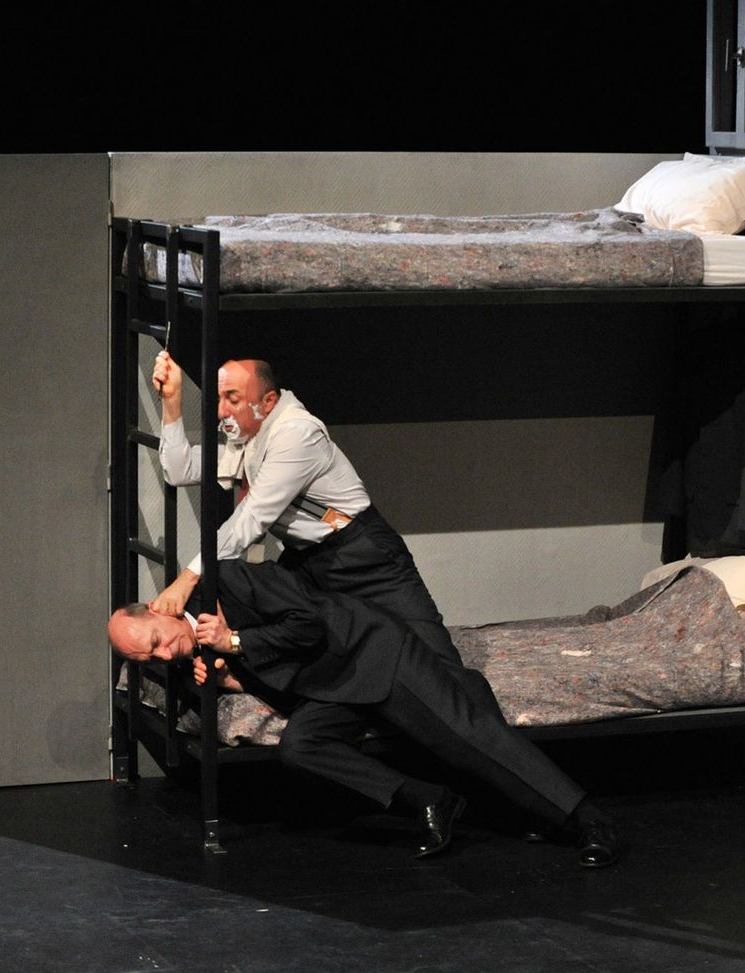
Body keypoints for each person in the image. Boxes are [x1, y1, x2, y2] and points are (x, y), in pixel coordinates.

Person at [109, 557, 622, 866]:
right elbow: (273, 677)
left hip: (370, 653)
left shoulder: (232, 584)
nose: (162, 655)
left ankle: (588, 820)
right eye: (147, 658)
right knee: (300, 747)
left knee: (468, 735)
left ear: (157, 608)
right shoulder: (183, 652)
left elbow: (308, 624)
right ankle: (430, 802)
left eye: (154, 642)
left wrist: (237, 640)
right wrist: (230, 679)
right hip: (328, 688)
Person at [147, 351, 460, 664]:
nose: (221, 411)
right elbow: (180, 470)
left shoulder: (295, 434)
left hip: (361, 554)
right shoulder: (249, 435)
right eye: (219, 399)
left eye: (232, 399)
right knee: (271, 635)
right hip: (307, 558)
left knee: (434, 655)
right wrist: (172, 404)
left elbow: (252, 517)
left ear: (268, 402)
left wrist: (187, 578)